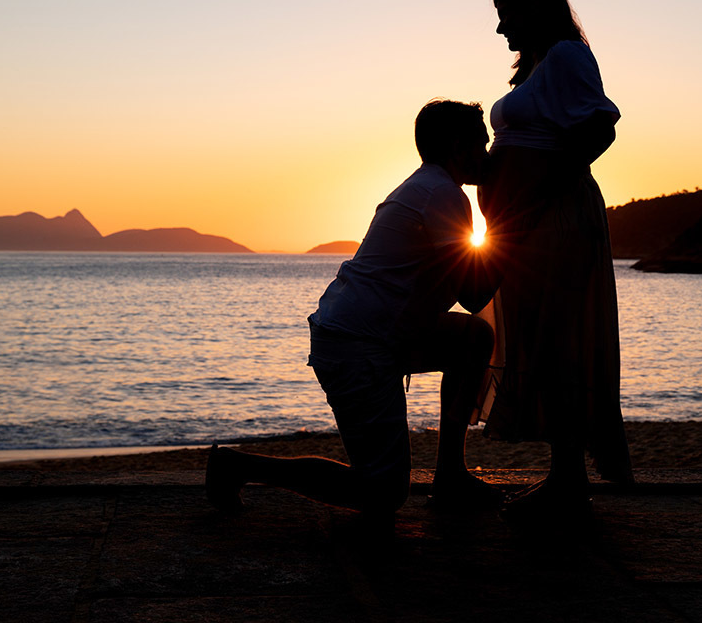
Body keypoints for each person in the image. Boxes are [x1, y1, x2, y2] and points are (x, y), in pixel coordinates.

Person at [207, 100, 501, 520]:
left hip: (371, 333)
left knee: (472, 338)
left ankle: (450, 474)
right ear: (458, 146)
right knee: (381, 492)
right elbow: (475, 295)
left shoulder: (429, 188)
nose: (487, 156)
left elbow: (462, 295)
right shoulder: (442, 195)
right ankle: (238, 467)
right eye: (482, 144)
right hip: (357, 346)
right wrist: (516, 232)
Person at [473, 0, 634, 521]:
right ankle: (564, 477)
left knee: (559, 340)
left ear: (536, 11)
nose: (499, 28)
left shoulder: (566, 55)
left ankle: (569, 483)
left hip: (554, 218)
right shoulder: (538, 67)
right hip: (525, 224)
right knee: (541, 342)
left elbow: (600, 129)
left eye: (507, 16)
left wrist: (539, 192)